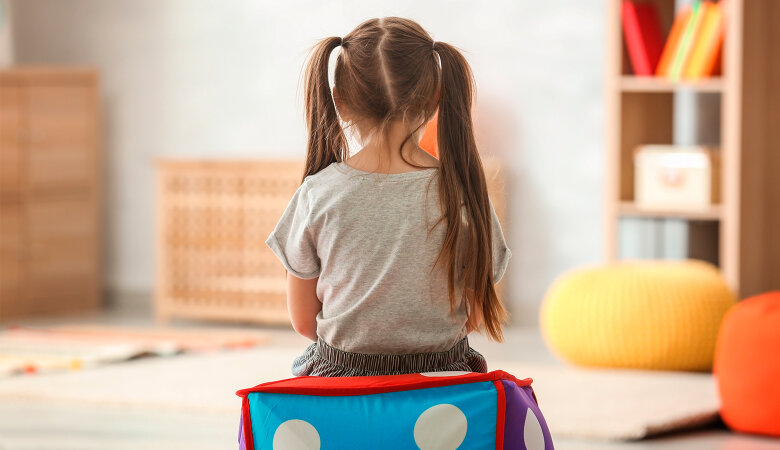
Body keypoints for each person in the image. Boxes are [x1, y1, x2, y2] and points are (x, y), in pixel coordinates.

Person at [266, 17, 512, 377]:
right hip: (442, 381)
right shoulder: (464, 193)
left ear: (340, 102)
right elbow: (473, 316)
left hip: (343, 382)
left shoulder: (317, 194)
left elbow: (304, 322)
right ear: (435, 100)